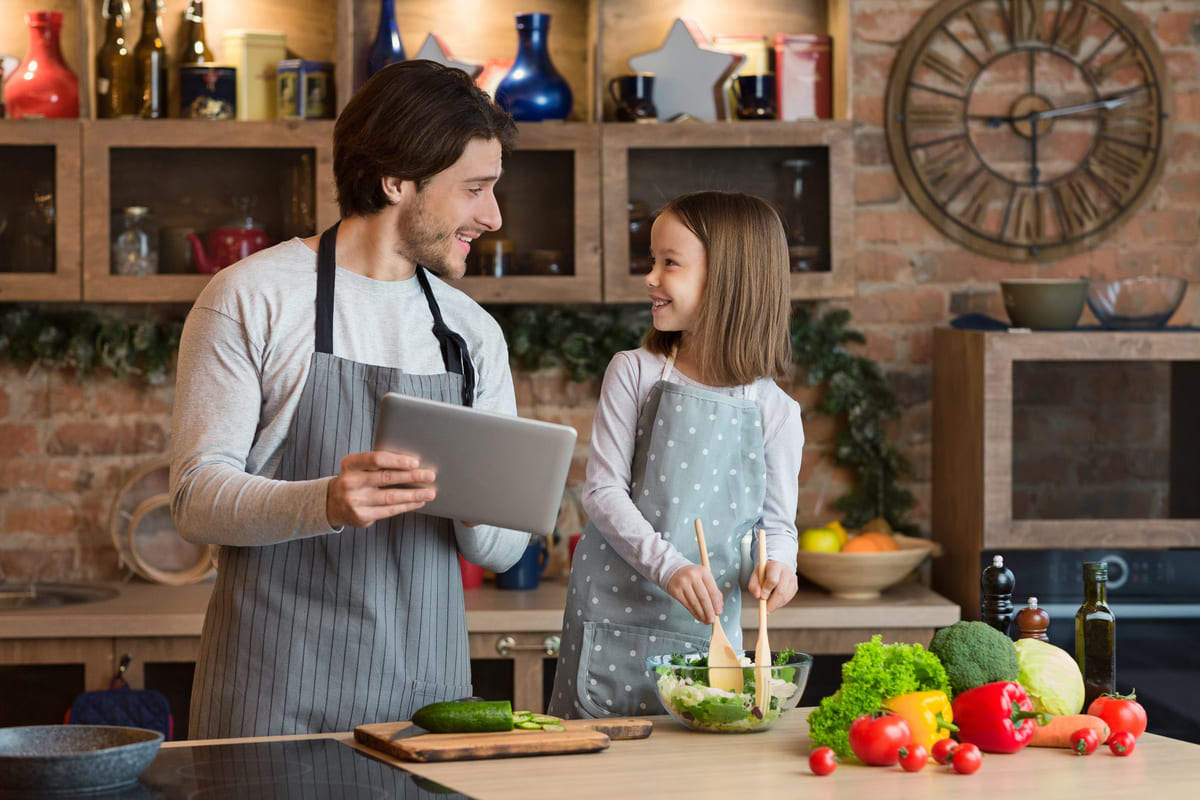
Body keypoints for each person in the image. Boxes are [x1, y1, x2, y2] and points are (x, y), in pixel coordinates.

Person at [169, 60, 528, 738]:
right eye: (475, 189)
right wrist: (327, 501)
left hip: (425, 707)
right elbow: (194, 498)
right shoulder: (252, 297)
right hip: (272, 700)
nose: (493, 215)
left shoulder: (470, 335)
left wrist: (480, 501)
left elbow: (502, 551)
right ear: (396, 180)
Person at [548, 190, 804, 718]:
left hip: (709, 633)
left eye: (670, 263)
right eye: (652, 261)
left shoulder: (774, 410)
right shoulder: (635, 372)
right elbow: (601, 492)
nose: (651, 277)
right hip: (608, 615)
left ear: (728, 281)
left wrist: (780, 565)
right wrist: (670, 568)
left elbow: (776, 525)